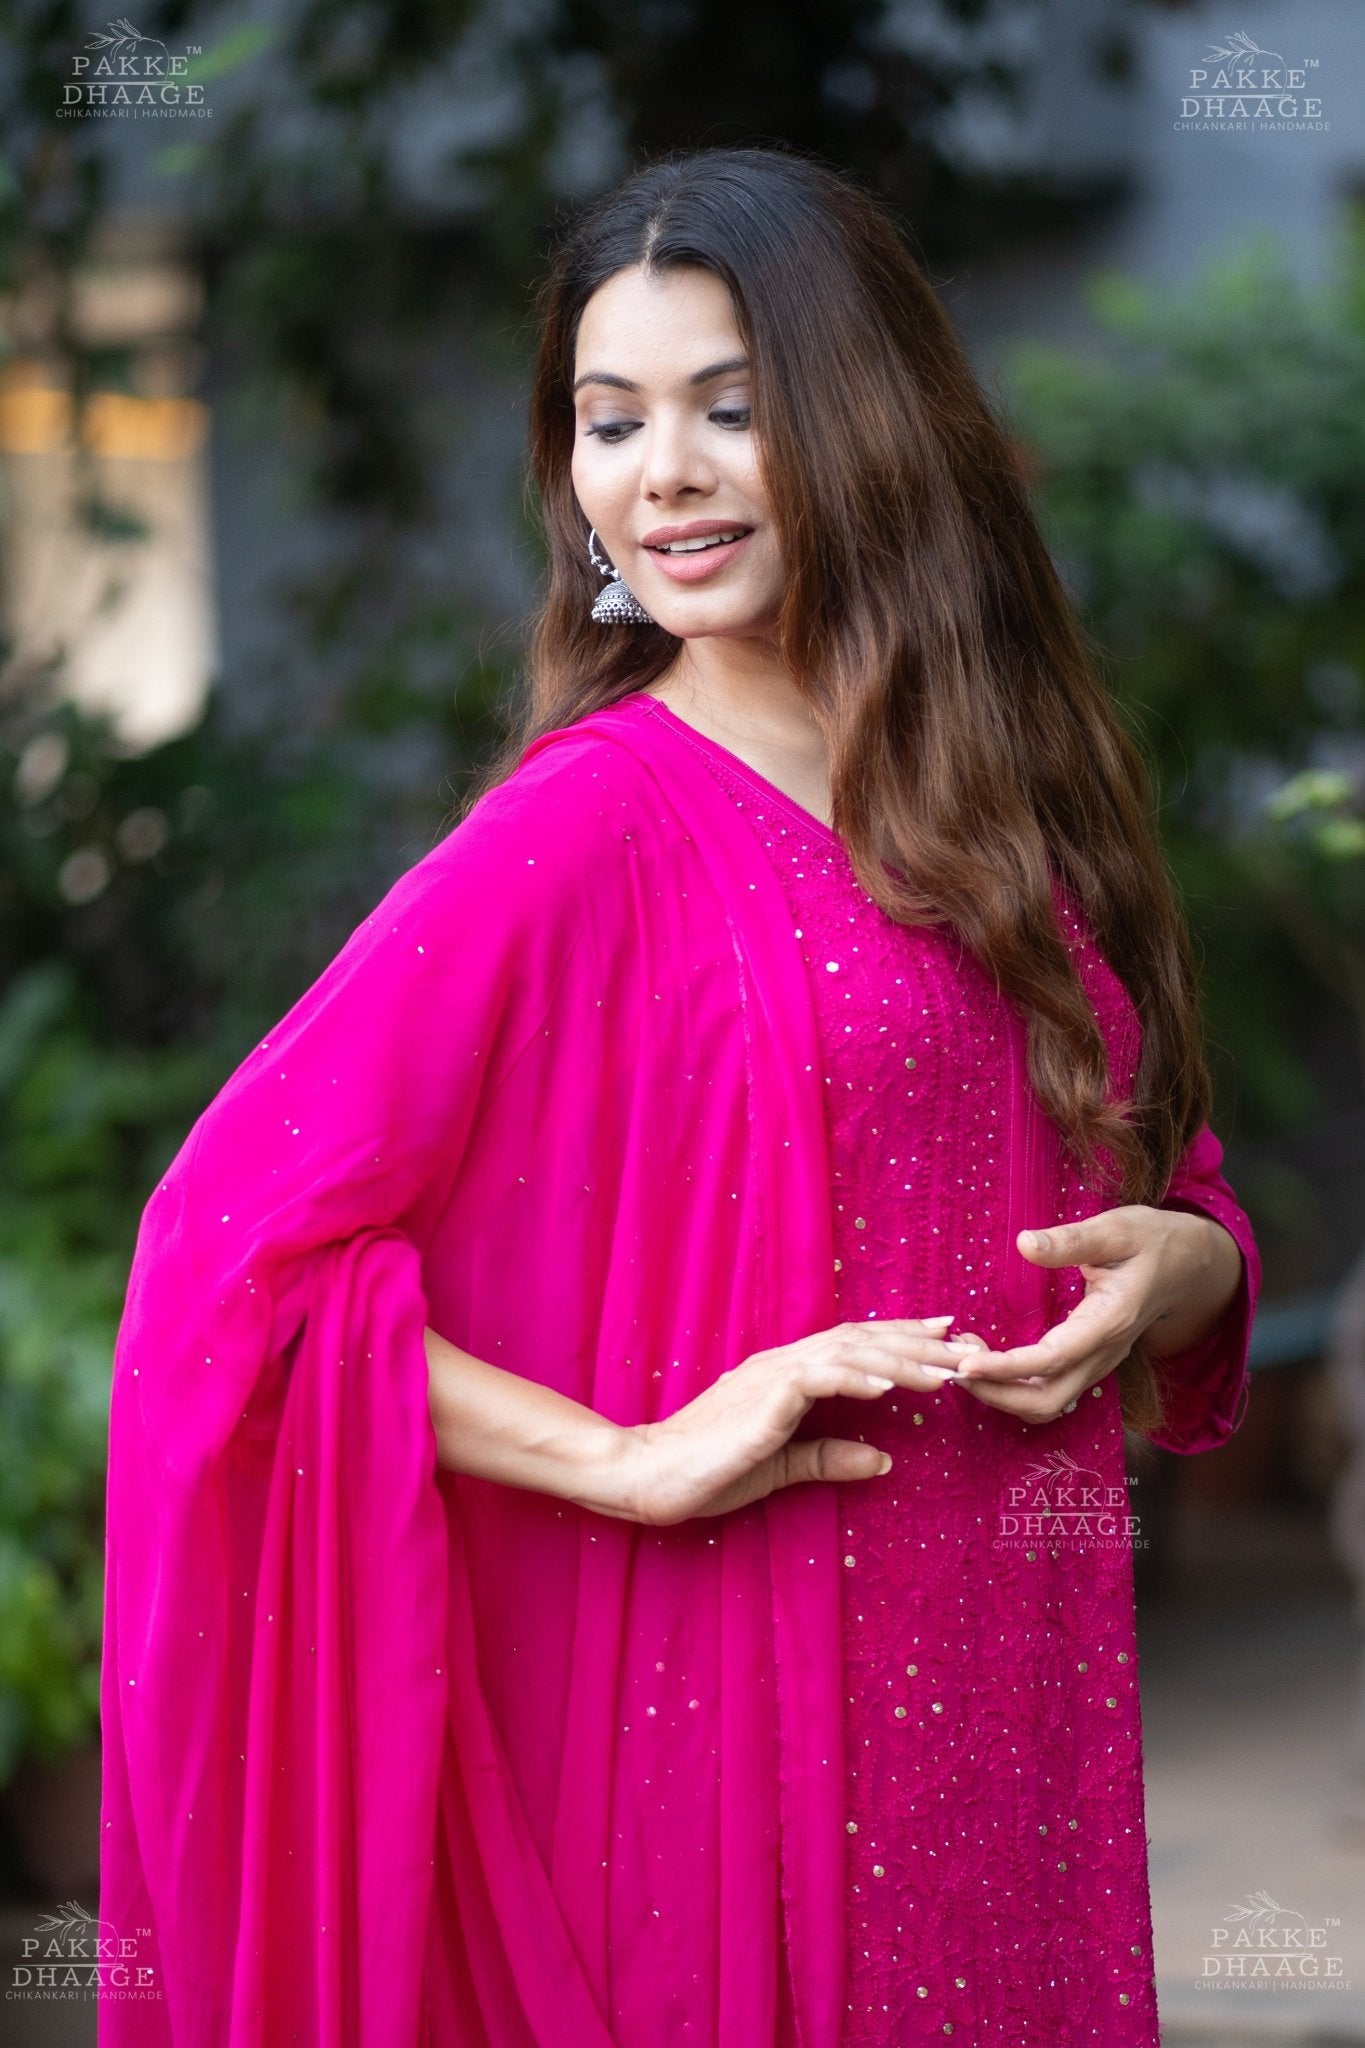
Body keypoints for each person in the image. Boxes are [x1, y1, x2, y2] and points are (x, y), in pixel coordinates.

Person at [100, 145, 1260, 2047]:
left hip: (1022, 1714)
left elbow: (1177, 1181)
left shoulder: (1008, 804)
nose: (664, 474)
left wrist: (1184, 1270)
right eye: (611, 419)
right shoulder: (582, 828)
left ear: (867, 420)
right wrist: (619, 1455)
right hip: (744, 1735)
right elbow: (222, 1258)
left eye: (730, 406)